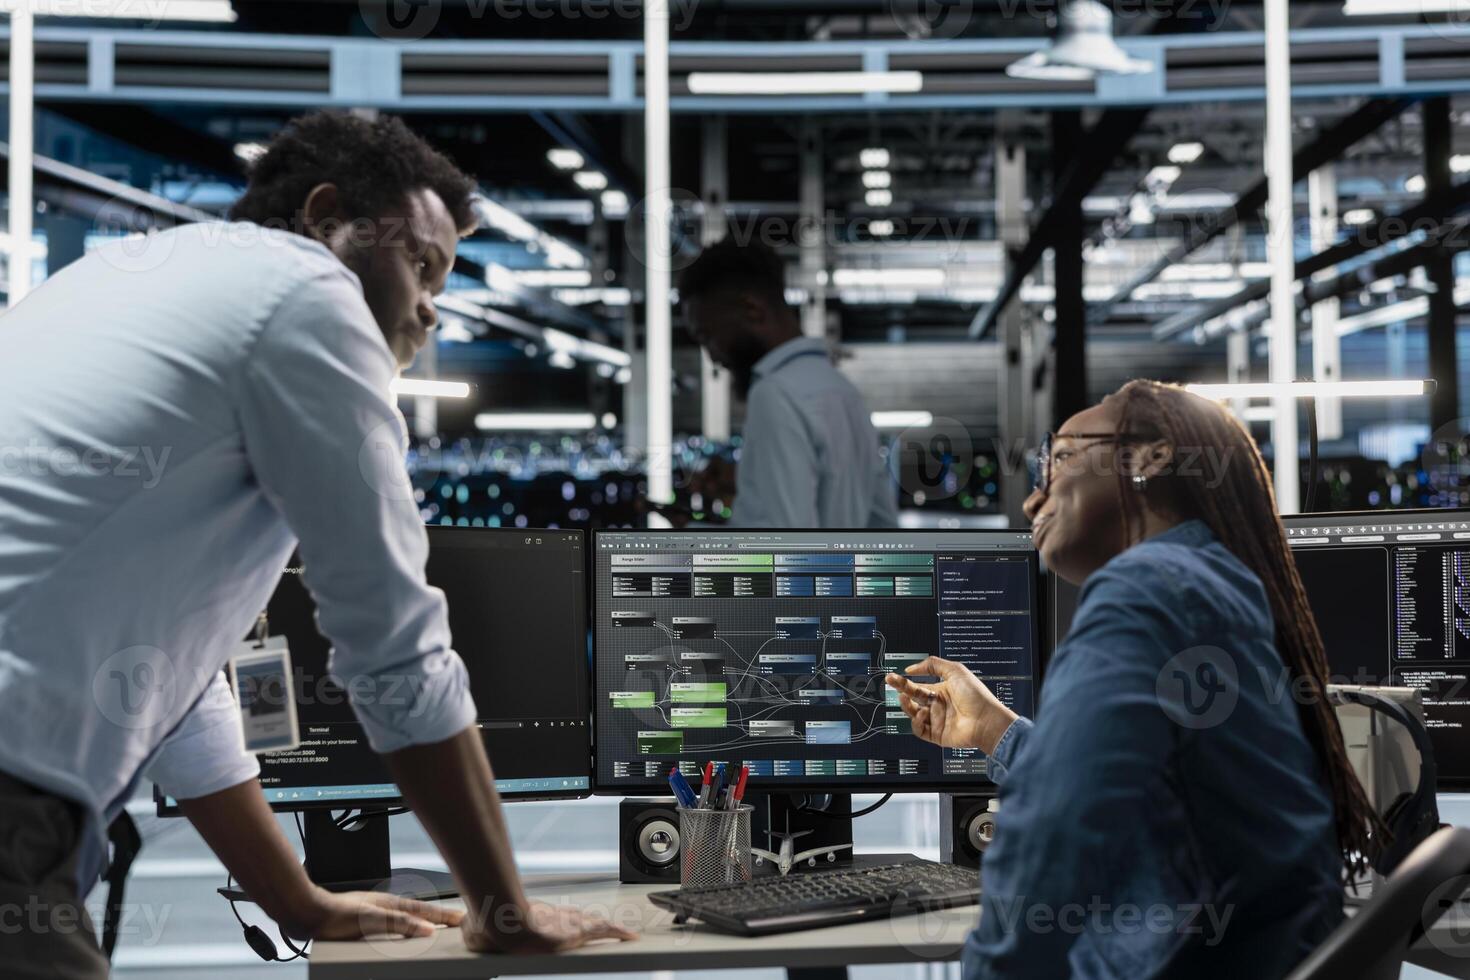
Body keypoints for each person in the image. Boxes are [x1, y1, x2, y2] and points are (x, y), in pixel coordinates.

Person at [0, 111, 633, 977]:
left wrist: (297, 902)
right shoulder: (308, 296)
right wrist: (503, 911)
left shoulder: (118, 277)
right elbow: (396, 649)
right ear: (326, 216)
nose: (431, 306)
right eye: (421, 263)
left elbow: (176, 687)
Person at [886, 380, 1378, 979]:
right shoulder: (1208, 583)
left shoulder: (1148, 591)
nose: (1031, 500)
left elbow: (1051, 844)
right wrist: (994, 729)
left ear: (1149, 457)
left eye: (1059, 458)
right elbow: (1147, 792)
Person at [678, 237, 897, 528]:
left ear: (752, 309)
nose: (713, 358)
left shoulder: (775, 394)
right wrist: (749, 482)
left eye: (708, 337)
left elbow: (783, 553)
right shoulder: (843, 390)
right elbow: (882, 526)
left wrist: (686, 539)